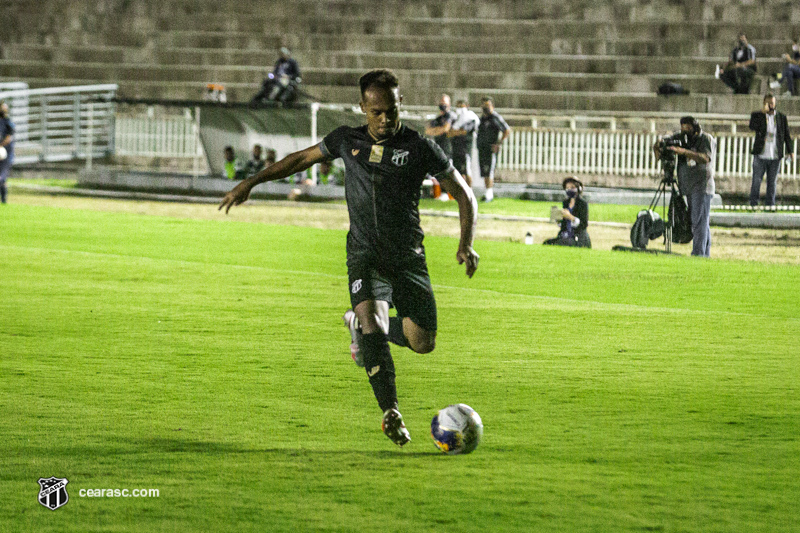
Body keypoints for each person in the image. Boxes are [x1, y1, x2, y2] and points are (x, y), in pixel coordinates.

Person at [219, 69, 479, 447]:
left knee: (422, 342)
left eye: (391, 110)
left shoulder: (420, 147)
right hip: (364, 253)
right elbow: (298, 160)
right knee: (371, 321)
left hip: (408, 258)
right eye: (376, 112)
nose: (385, 119)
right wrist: (250, 183)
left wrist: (466, 243)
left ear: (399, 103)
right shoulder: (346, 140)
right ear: (363, 108)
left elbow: (464, 194)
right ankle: (390, 411)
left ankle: (358, 326)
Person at [653, 117, 716, 257]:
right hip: (688, 185)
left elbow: (705, 158)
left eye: (687, 128)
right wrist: (661, 143)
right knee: (701, 222)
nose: (684, 131)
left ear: (694, 128)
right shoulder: (680, 137)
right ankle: (704, 254)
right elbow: (667, 141)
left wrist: (683, 152)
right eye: (682, 128)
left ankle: (698, 254)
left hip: (702, 186)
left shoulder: (705, 138)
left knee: (698, 221)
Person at [748, 93, 793, 206]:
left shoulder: (781, 117)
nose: (771, 105)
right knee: (756, 181)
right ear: (764, 103)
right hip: (761, 154)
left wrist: (790, 151)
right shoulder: (757, 115)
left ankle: (770, 204)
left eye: (773, 103)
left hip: (775, 155)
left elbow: (786, 135)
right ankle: (753, 203)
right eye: (769, 103)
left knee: (772, 182)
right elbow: (752, 127)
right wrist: (761, 113)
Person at [476, 97, 510, 202]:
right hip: (482, 147)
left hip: (491, 148)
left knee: (489, 170)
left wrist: (498, 143)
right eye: (484, 105)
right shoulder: (482, 119)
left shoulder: (495, 117)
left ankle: (489, 194)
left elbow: (506, 130)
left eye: (488, 105)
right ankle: (487, 192)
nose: (486, 108)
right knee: (485, 171)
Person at [543, 177, 591, 248]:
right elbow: (564, 225)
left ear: (578, 189)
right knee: (547, 243)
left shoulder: (583, 204)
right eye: (567, 188)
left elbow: (584, 225)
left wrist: (571, 217)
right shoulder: (566, 203)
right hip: (565, 235)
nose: (569, 190)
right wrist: (559, 220)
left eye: (572, 187)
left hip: (578, 237)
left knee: (562, 243)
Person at [447, 100, 480, 187]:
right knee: (458, 171)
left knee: (467, 170)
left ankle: (469, 190)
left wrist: (455, 132)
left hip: (465, 148)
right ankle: (461, 191)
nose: (460, 109)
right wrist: (455, 132)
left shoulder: (470, 117)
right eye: (458, 106)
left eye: (461, 106)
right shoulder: (456, 118)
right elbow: (449, 132)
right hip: (456, 148)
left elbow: (464, 131)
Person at [0, 102, 15, 204]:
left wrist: (1, 145)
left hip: (5, 154)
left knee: (2, 177)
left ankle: (4, 199)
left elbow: (9, 137)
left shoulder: (7, 122)